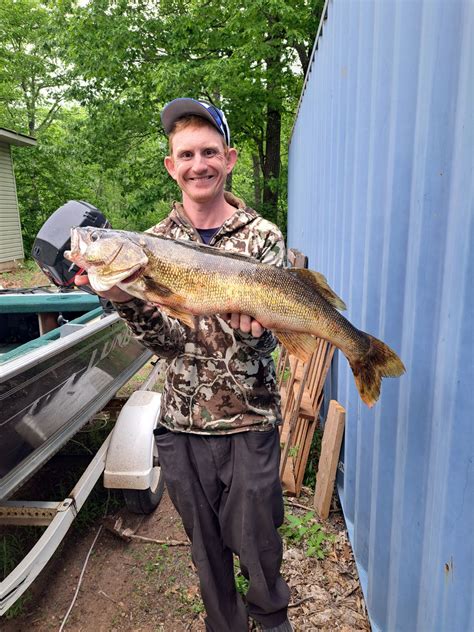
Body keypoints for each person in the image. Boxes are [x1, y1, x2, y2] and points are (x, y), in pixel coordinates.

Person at [77, 98, 292, 632]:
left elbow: (269, 347)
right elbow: (170, 342)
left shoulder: (262, 237)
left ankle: (273, 623)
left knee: (261, 550)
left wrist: (257, 334)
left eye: (210, 152)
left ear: (230, 158)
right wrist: (126, 299)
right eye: (187, 154)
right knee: (206, 555)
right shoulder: (149, 245)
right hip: (181, 426)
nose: (200, 163)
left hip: (250, 423)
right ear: (172, 165)